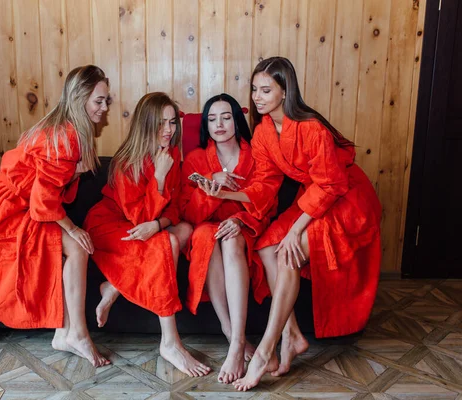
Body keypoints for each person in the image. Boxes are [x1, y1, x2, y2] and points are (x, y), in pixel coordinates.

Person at [198, 57, 382, 390]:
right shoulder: (265, 131)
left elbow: (331, 184)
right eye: (254, 89)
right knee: (268, 247)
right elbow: (265, 185)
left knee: (285, 251)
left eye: (266, 90)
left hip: (343, 197)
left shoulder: (311, 126)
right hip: (313, 196)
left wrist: (296, 230)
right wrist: (225, 193)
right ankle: (292, 335)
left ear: (285, 91)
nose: (257, 96)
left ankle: (265, 349)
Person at [0, 65, 111, 367]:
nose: (104, 107)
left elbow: (47, 188)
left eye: (106, 101)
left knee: (76, 247)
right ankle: (75, 334)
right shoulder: (67, 136)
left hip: (9, 204)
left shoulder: (67, 130)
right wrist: (73, 229)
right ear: (80, 98)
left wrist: (73, 172)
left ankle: (67, 333)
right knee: (77, 245)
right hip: (3, 213)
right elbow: (44, 202)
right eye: (99, 101)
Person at [84, 92, 211, 377]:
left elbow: (177, 211)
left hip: (147, 226)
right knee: (163, 244)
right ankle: (170, 342)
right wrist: (160, 178)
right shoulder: (126, 162)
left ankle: (113, 287)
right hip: (109, 225)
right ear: (145, 124)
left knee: (183, 231)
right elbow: (138, 218)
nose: (168, 130)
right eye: (160, 123)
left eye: (172, 122)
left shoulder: (171, 157)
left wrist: (159, 224)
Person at [180, 94, 270, 384]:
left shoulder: (256, 155)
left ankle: (238, 339)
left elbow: (267, 202)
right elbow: (188, 214)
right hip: (207, 228)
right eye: (212, 118)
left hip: (243, 229)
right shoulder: (194, 159)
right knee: (207, 235)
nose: (219, 124)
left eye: (226, 116)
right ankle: (231, 334)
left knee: (230, 238)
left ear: (236, 119)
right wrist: (211, 184)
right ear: (206, 124)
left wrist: (240, 220)